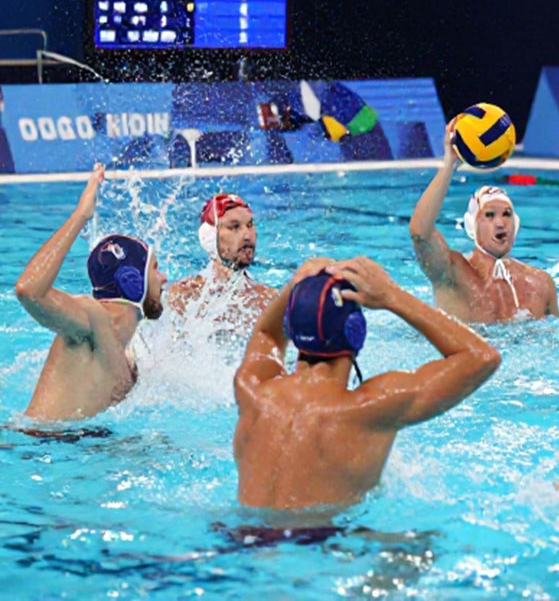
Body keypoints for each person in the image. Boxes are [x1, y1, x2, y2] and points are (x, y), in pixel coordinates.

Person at [233, 256, 501, 513]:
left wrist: (296, 284)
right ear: (356, 331)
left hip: (237, 536)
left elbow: (266, 334)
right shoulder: (371, 408)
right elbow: (481, 357)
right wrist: (392, 296)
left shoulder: (252, 389)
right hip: (321, 541)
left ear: (291, 327)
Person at [13, 163, 167, 421]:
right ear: (133, 280)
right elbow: (29, 291)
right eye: (155, 268)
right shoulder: (92, 318)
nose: (164, 278)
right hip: (36, 441)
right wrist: (82, 215)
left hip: (79, 441)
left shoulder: (129, 355)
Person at [408, 119, 559, 322]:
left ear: (516, 224)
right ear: (472, 226)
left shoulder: (540, 284)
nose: (500, 223)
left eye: (506, 214)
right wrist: (449, 164)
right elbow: (420, 232)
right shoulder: (452, 273)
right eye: (489, 215)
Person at [169, 193, 275, 323]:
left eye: (250, 225)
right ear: (210, 237)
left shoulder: (267, 301)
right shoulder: (183, 296)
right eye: (234, 227)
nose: (247, 236)